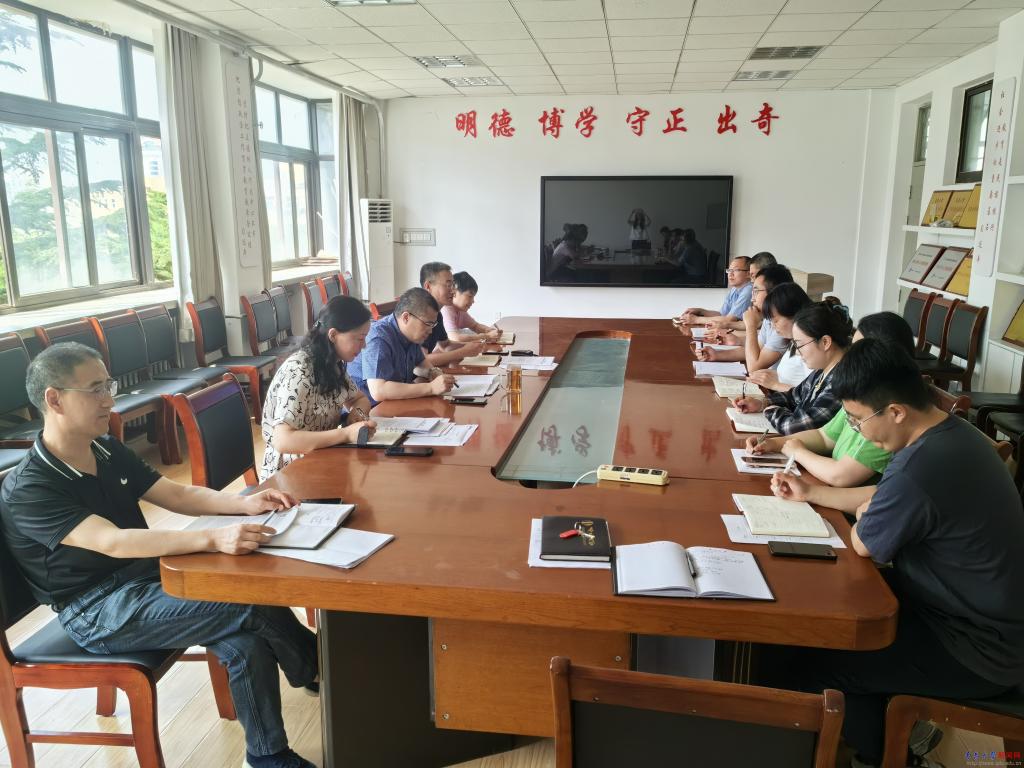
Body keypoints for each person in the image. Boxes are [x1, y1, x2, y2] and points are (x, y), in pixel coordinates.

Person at [0, 343, 319, 768]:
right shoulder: (29, 486)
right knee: (247, 601)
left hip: (146, 580)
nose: (109, 400)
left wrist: (245, 504)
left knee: (243, 640)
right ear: (53, 399)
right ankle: (319, 670)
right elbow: (112, 542)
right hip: (97, 611)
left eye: (108, 386)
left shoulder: (105, 449)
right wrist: (213, 540)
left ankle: (266, 756)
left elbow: (175, 494)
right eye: (95, 390)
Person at [767, 339, 1024, 768]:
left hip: (975, 648)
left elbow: (864, 541)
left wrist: (868, 512)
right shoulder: (952, 435)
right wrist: (812, 492)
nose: (858, 431)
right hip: (970, 617)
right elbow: (881, 501)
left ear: (896, 412)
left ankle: (886, 756)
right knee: (823, 615)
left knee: (815, 661)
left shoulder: (920, 466)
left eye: (857, 420)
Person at [747, 312, 915, 487]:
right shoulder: (860, 394)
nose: (850, 357)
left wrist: (797, 451)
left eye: (859, 350)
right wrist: (774, 443)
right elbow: (824, 437)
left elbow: (841, 476)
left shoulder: (884, 416)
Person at [259, 296, 377, 480]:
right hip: (290, 473)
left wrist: (356, 414)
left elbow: (359, 399)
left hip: (323, 457)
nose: (364, 346)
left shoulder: (332, 363)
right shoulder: (299, 371)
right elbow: (283, 440)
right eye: (359, 338)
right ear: (333, 335)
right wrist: (345, 434)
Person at [730, 299, 852, 434]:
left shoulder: (842, 381)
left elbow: (797, 426)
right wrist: (761, 403)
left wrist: (771, 410)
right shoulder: (822, 371)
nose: (798, 352)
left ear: (825, 342)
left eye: (800, 345)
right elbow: (794, 396)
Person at [347, 287, 456, 406]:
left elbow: (421, 363)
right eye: (427, 324)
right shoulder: (378, 337)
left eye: (433, 325)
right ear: (406, 317)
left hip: (396, 402)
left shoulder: (411, 334)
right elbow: (378, 391)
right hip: (370, 408)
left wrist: (433, 372)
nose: (430, 331)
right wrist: (431, 388)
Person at [695, 264, 794, 372]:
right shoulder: (769, 317)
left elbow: (754, 366)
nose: (752, 299)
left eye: (756, 291)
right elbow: (755, 350)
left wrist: (751, 325)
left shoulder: (784, 323)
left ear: (774, 292)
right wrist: (716, 355)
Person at [744, 282, 813, 393]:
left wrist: (775, 384)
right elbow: (793, 377)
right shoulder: (794, 341)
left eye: (775, 321)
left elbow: (812, 395)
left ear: (794, 314)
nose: (773, 326)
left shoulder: (810, 346)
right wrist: (772, 375)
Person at [418, 262, 486, 367]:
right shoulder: (419, 315)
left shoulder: (437, 315)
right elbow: (422, 361)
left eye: (453, 285)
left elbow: (445, 345)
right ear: (428, 286)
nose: (454, 291)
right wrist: (463, 352)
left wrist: (474, 346)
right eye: (448, 285)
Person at [677, 256, 753, 324]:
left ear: (748, 274)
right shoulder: (735, 289)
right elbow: (722, 314)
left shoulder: (749, 290)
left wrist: (696, 320)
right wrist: (701, 311)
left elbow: (730, 319)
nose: (730, 274)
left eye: (736, 270)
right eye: (729, 270)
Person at [441, 271, 500, 343]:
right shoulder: (446, 309)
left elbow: (475, 326)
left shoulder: (461, 311)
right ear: (454, 292)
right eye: (470, 296)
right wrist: (487, 336)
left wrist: (489, 330)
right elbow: (455, 338)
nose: (473, 301)